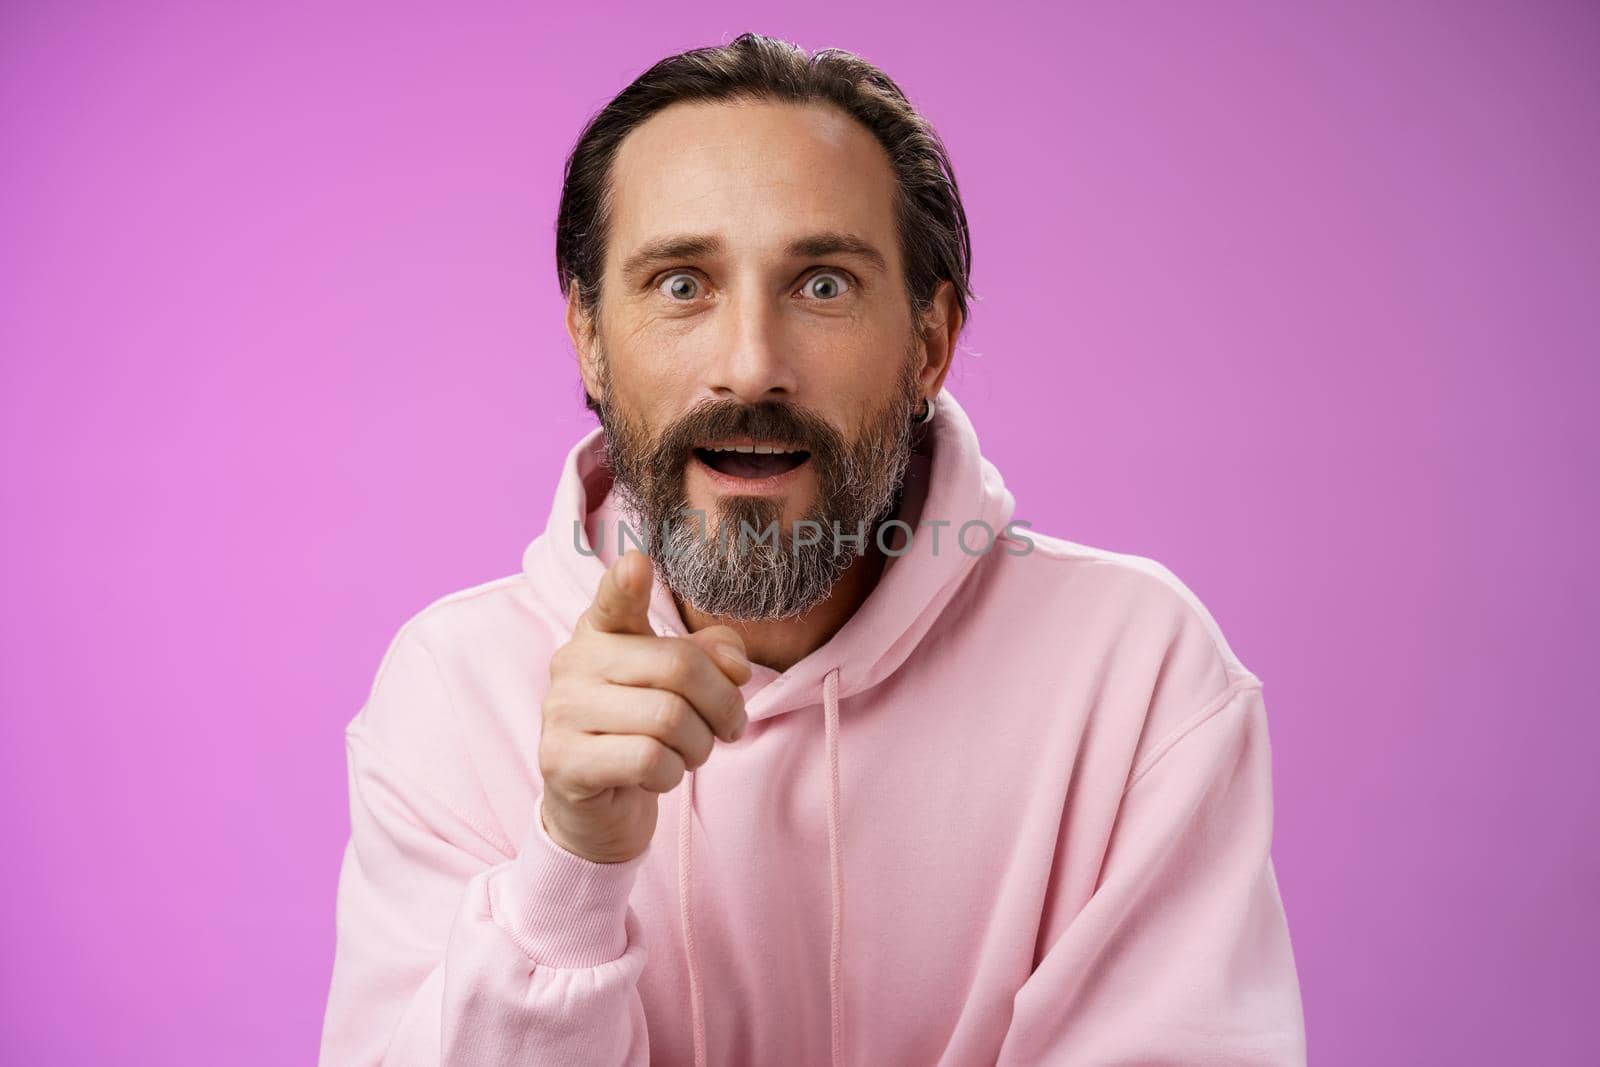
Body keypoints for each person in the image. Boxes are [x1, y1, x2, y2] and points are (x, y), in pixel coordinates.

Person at [318, 32, 1306, 1066]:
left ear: (929, 343)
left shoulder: (1139, 672)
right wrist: (567, 873)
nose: (751, 368)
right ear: (588, 337)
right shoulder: (452, 688)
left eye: (823, 284)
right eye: (681, 284)